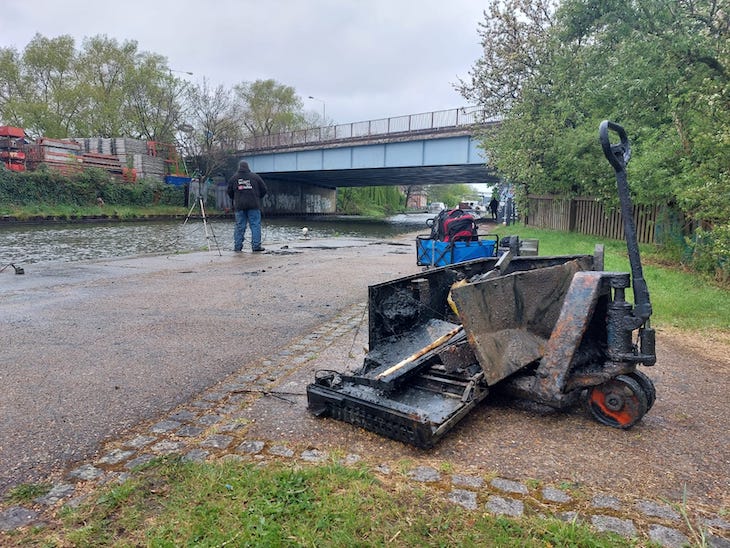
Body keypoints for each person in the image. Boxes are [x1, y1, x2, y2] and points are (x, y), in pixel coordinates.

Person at [227, 160, 268, 252]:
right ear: (248, 167)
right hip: (254, 205)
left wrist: (235, 198)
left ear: (239, 167)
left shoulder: (234, 178)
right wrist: (258, 197)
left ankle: (237, 247)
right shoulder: (255, 177)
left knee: (239, 226)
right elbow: (264, 189)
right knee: (255, 225)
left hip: (240, 206)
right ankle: (256, 246)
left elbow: (229, 191)